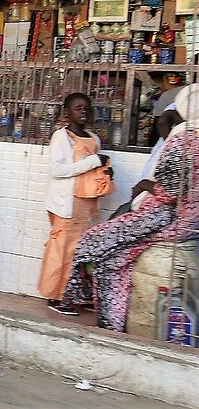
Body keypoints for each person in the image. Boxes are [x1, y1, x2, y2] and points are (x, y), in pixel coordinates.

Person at [63, 83, 199, 332]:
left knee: (92, 241)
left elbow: (171, 192)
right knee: (114, 259)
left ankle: (82, 298)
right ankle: (104, 314)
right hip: (188, 221)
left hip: (169, 217)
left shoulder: (185, 140)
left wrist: (147, 185)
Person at [38, 93, 112, 316]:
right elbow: (57, 170)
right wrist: (92, 162)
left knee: (82, 253)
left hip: (87, 205)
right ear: (66, 113)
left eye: (87, 108)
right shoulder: (61, 137)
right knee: (61, 251)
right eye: (78, 108)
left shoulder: (93, 138)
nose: (84, 112)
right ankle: (56, 296)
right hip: (66, 205)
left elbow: (92, 169)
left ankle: (77, 296)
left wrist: (105, 171)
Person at [148, 71, 186, 146]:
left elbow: (159, 123)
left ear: (166, 80)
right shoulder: (189, 90)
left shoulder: (166, 95)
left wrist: (151, 145)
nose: (160, 86)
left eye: (159, 83)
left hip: (172, 141)